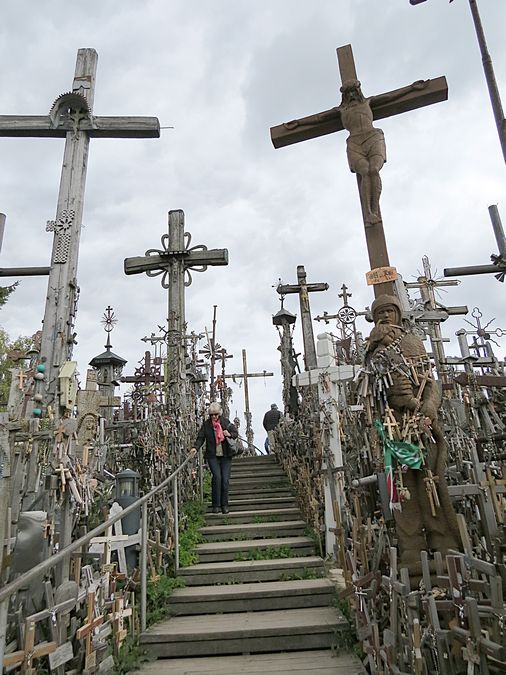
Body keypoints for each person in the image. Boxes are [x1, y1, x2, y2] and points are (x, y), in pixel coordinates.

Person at [362, 294, 461, 574]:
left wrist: (428, 407)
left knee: (430, 484)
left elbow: (430, 382)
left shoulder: (412, 342)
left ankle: (444, 544)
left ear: (399, 314)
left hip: (421, 426)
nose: (384, 317)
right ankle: (412, 551)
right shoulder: (372, 352)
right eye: (379, 313)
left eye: (389, 312)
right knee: (403, 491)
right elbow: (368, 391)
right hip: (395, 429)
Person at [283, 79, 429, 226]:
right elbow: (319, 118)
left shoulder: (368, 102)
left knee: (373, 170)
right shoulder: (341, 110)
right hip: (354, 143)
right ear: (344, 96)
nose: (352, 95)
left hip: (373, 137)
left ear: (359, 91)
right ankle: (368, 213)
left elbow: (392, 96)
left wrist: (411, 89)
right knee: (365, 171)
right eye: (348, 93)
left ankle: (374, 209)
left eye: (354, 91)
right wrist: (299, 123)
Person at [191, 402, 238, 514]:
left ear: (219, 414)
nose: (214, 417)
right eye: (212, 415)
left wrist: (229, 434)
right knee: (217, 477)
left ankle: (224, 505)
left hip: (226, 455)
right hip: (212, 455)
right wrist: (195, 448)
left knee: (225, 480)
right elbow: (200, 438)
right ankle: (216, 505)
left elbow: (235, 433)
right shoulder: (207, 425)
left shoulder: (225, 422)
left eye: (216, 414)